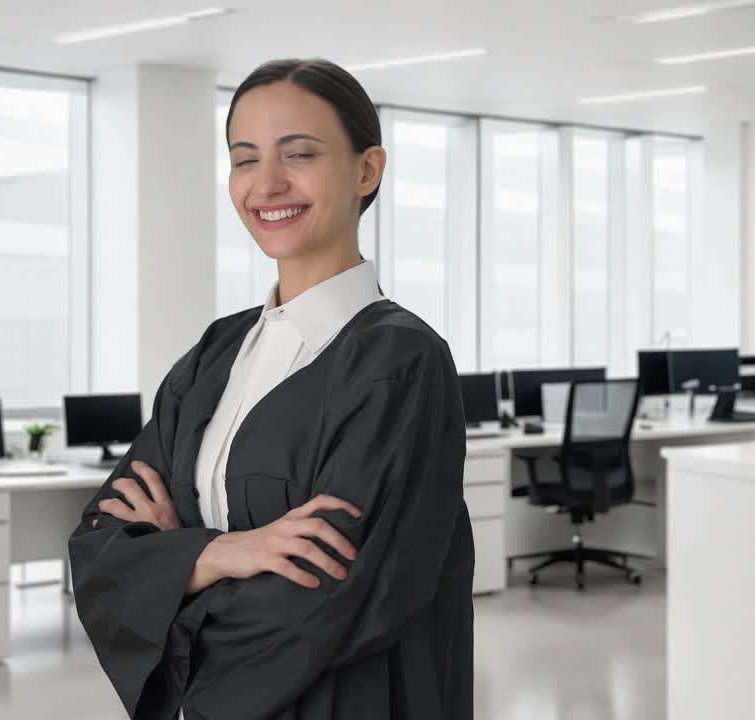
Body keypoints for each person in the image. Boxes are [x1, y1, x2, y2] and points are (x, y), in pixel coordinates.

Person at [69, 57, 474, 720]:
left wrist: (171, 567)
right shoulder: (214, 356)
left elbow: (331, 600)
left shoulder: (401, 363)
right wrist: (222, 551)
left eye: (300, 153)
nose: (268, 184)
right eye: (244, 158)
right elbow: (99, 548)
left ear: (367, 169)